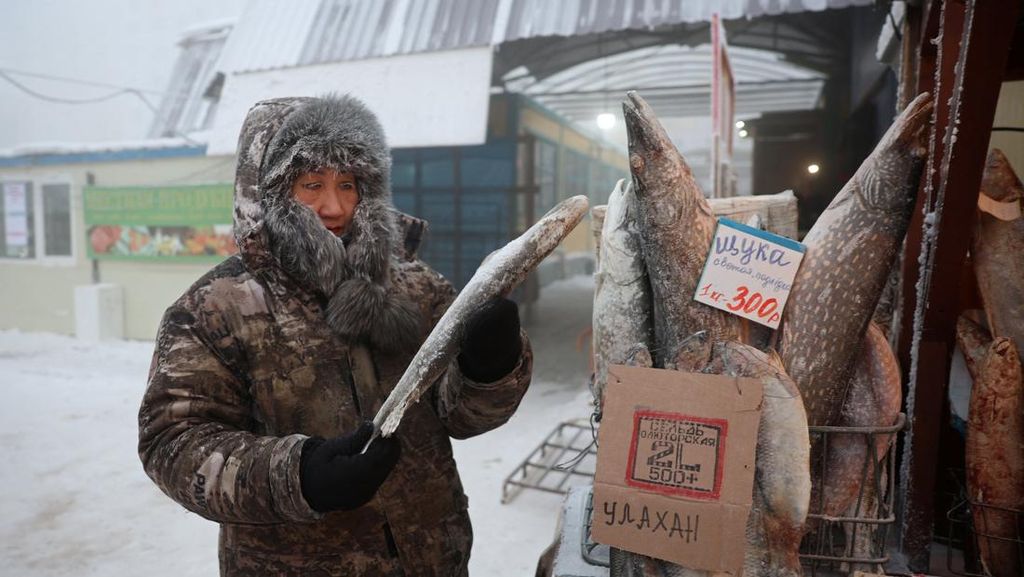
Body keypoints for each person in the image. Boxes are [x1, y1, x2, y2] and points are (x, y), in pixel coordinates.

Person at [138, 95, 533, 577]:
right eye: (311, 184)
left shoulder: (416, 285)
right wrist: (299, 475)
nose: (336, 206)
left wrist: (489, 368)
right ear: (267, 192)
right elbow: (173, 445)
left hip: (433, 557)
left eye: (349, 183)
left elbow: (460, 415)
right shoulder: (215, 308)